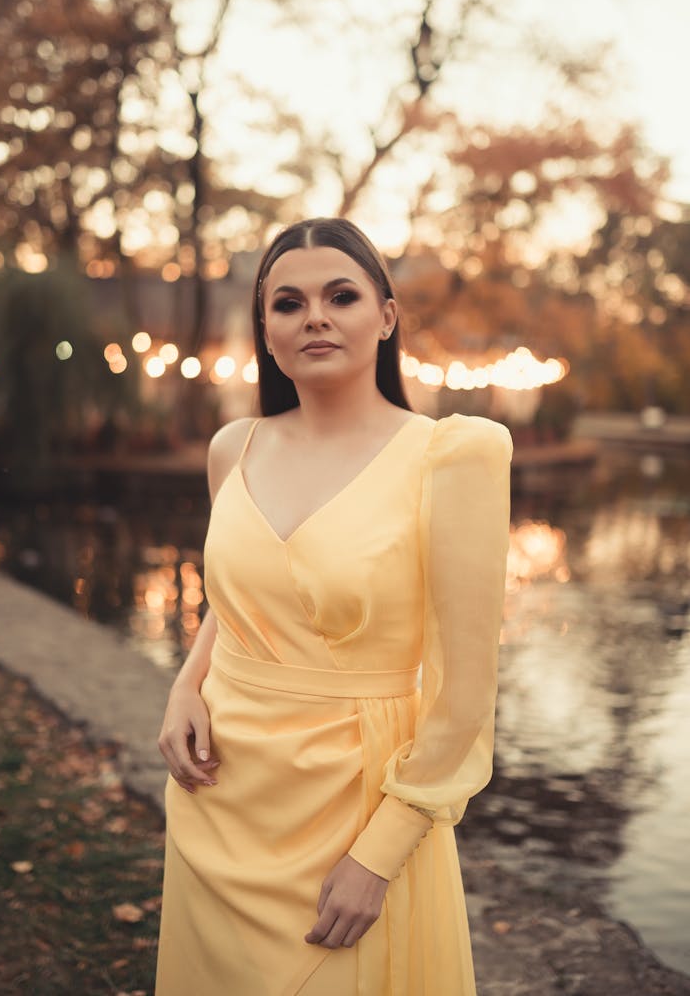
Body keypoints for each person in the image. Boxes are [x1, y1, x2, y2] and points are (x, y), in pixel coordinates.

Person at [155, 217, 512, 996]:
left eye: (340, 295)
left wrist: (380, 853)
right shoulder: (235, 447)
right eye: (288, 303)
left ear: (385, 318)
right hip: (221, 795)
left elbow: (466, 692)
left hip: (352, 803)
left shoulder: (452, 456)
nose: (314, 315)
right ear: (267, 333)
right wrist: (187, 685)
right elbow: (240, 597)